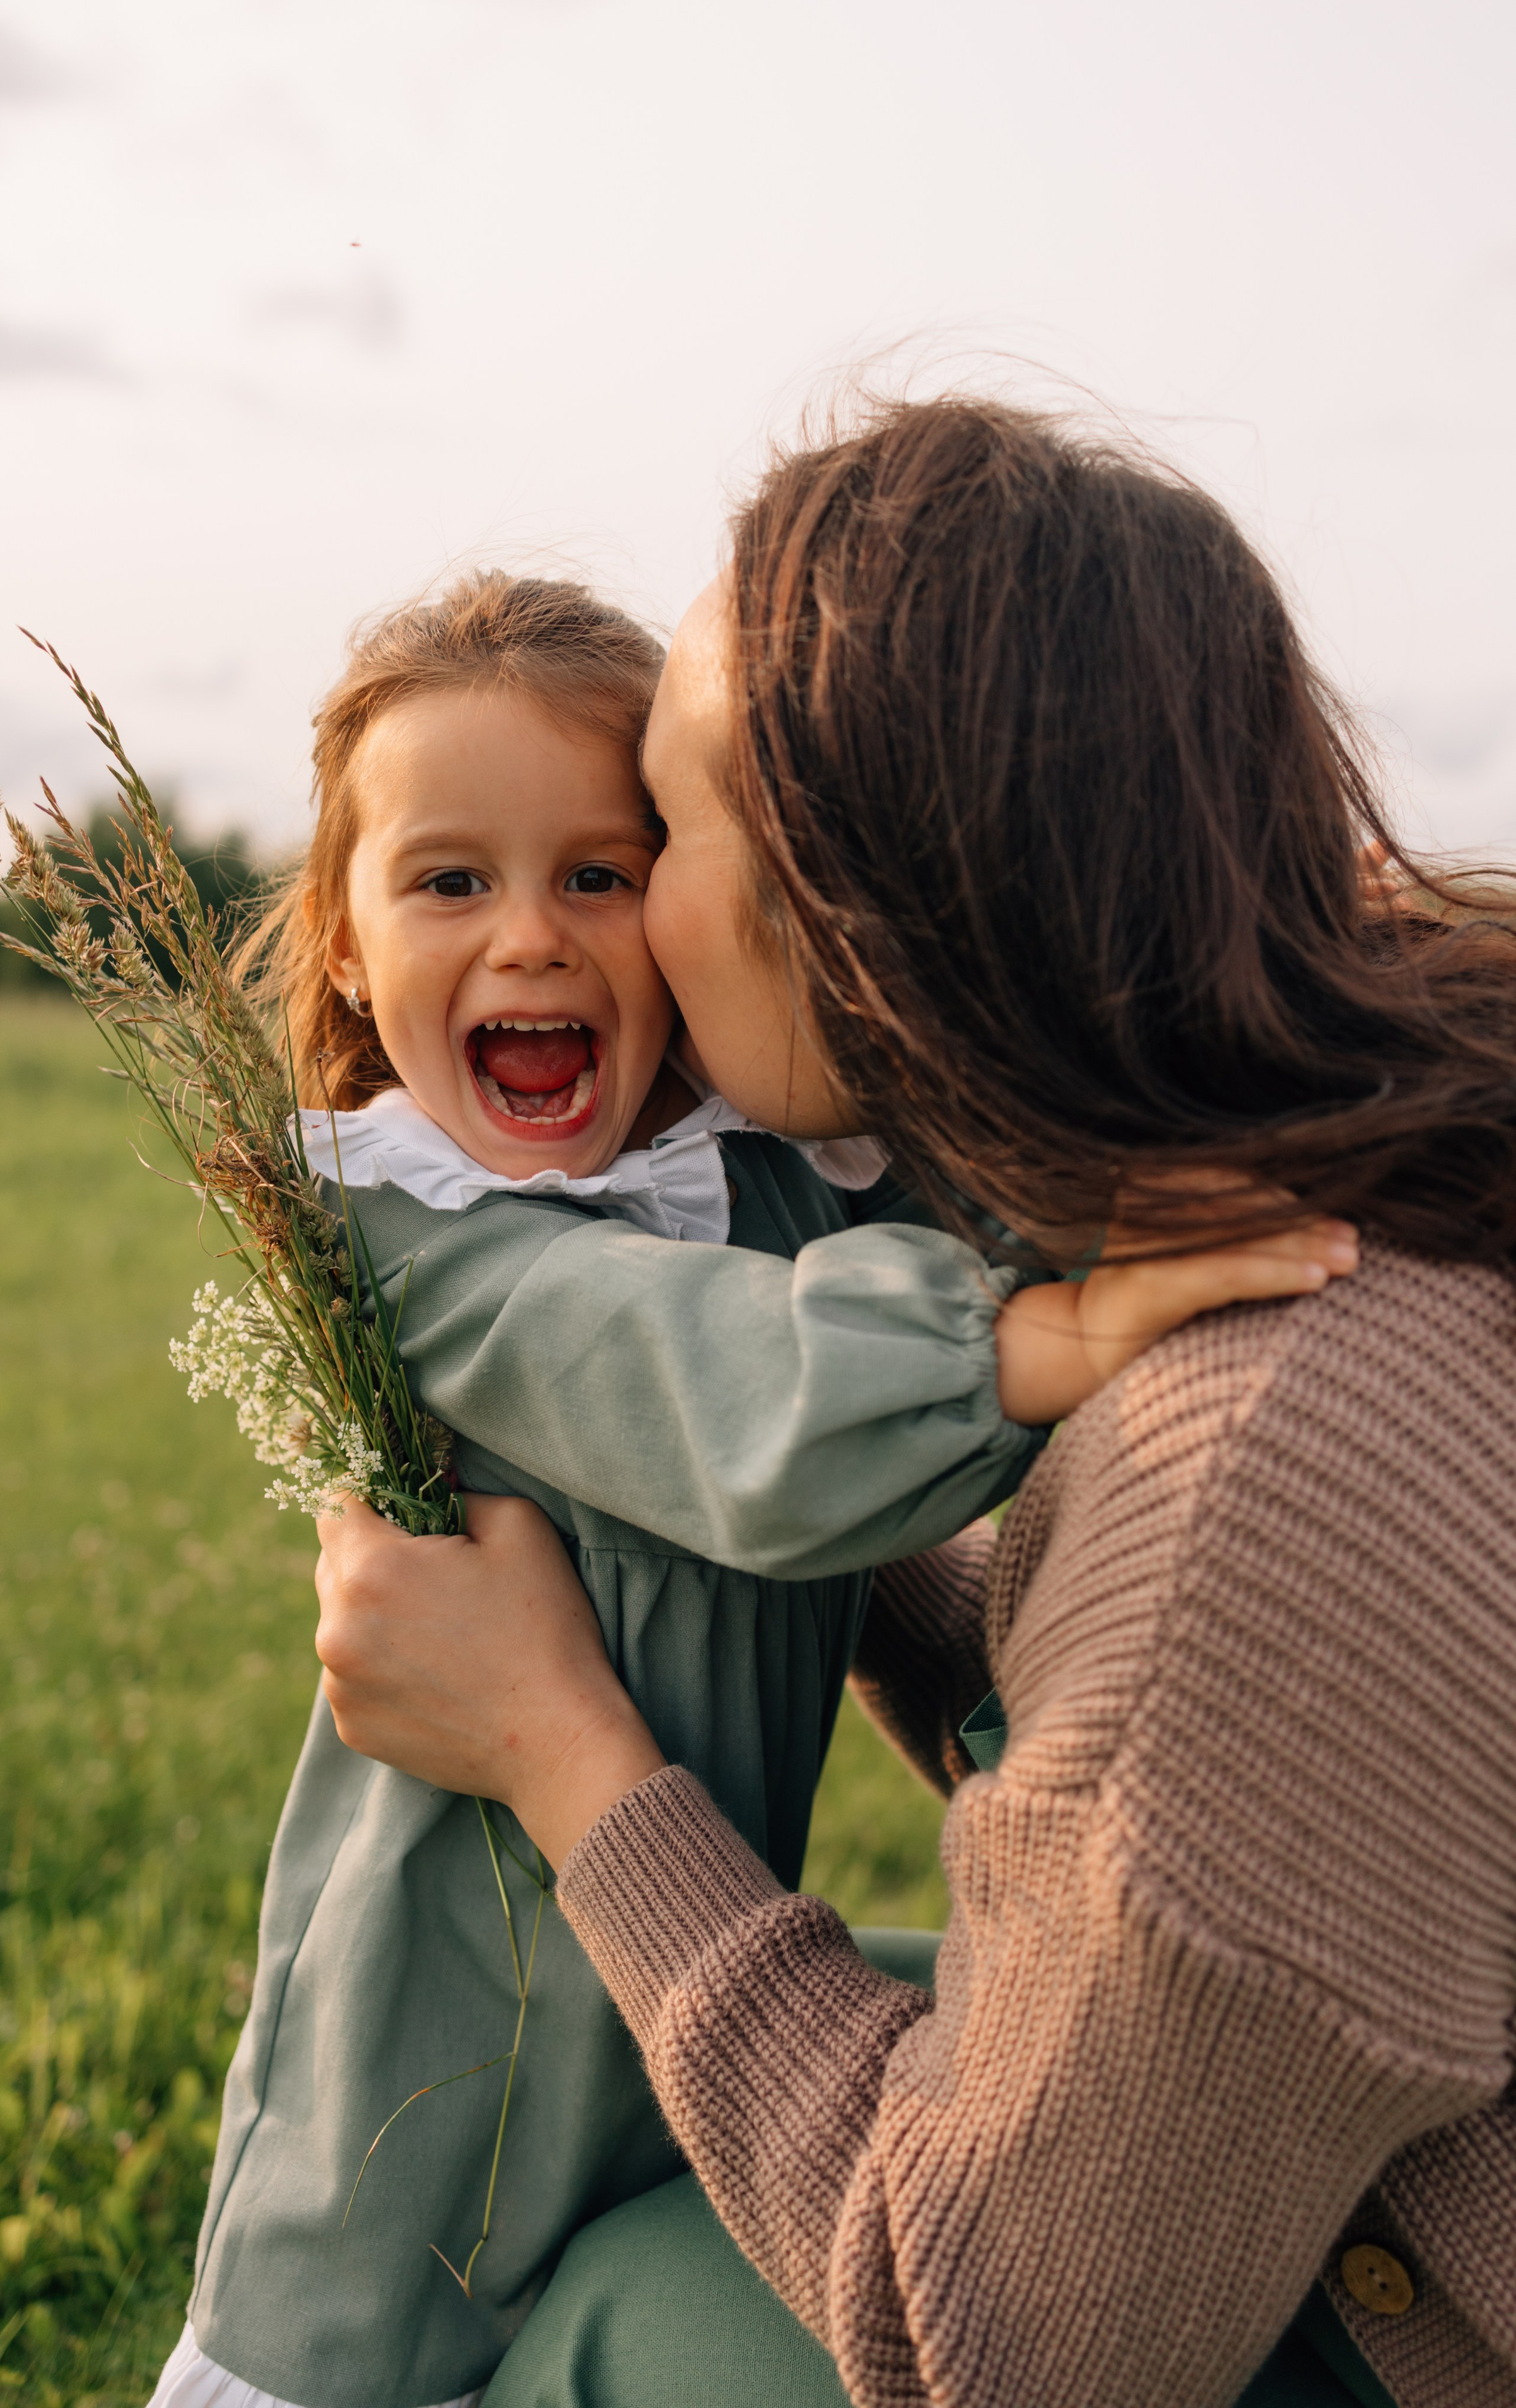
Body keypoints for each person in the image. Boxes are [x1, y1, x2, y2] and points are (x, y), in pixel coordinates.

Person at [311, 400, 1516, 2408]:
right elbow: (1161, 1758)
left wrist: (556, 1748)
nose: (600, 924)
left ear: (859, 915)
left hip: (1414, 2334)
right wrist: (719, 1492)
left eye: (653, 844)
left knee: (611, 2322)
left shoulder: (1280, 1464)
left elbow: (989, 2345)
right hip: (1353, 2197)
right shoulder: (1335, 1180)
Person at [149, 570, 1336, 2408]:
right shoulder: (414, 1242)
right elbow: (704, 1375)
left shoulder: (743, 1174)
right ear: (343, 950)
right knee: (394, 2335)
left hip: (671, 1971)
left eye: (601, 875)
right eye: (452, 880)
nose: (532, 939)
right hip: (438, 2082)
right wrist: (1055, 1341)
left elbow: (972, 1166)